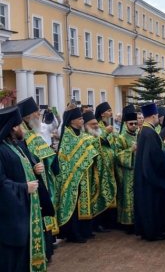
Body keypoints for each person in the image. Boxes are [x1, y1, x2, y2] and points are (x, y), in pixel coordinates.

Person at [0, 106, 49, 272]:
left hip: (24, 211)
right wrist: (24, 188)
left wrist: (34, 170)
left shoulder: (14, 146)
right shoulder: (1, 150)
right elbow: (2, 182)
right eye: (20, 126)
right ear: (13, 128)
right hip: (11, 217)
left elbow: (18, 170)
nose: (23, 130)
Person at [17, 97, 59, 260]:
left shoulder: (33, 132)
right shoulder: (24, 135)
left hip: (43, 178)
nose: (38, 115)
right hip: (32, 181)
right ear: (27, 116)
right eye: (35, 113)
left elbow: (45, 152)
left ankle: (47, 248)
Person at [56, 107, 99, 243]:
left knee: (83, 202)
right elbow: (73, 152)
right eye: (80, 119)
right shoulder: (68, 135)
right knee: (73, 205)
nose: (82, 120)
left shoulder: (79, 134)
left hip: (83, 174)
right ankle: (73, 233)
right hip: (72, 177)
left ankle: (84, 230)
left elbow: (86, 144)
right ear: (72, 121)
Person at [134, 103, 165, 241]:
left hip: (143, 175)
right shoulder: (150, 133)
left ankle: (147, 231)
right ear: (152, 116)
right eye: (157, 115)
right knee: (152, 205)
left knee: (146, 204)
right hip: (150, 177)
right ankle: (153, 233)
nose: (158, 118)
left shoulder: (145, 130)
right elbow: (155, 156)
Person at [82, 111, 117, 225]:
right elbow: (95, 143)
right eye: (93, 124)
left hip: (103, 171)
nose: (96, 126)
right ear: (86, 126)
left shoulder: (97, 134)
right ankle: (95, 223)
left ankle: (104, 222)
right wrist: (105, 133)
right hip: (92, 174)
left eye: (97, 123)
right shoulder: (85, 137)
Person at [115, 108, 138, 229]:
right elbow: (117, 155)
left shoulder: (140, 134)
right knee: (128, 196)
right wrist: (131, 150)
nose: (134, 126)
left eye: (135, 123)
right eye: (131, 124)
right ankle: (128, 223)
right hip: (127, 173)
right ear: (125, 124)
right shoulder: (121, 138)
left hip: (138, 171)